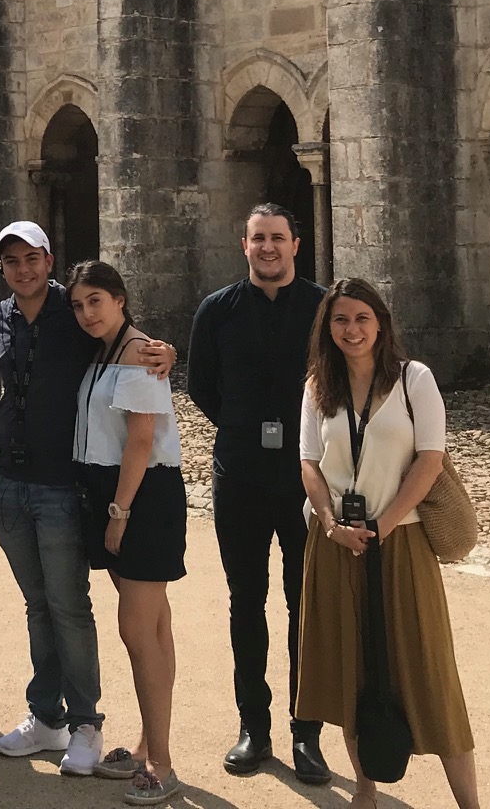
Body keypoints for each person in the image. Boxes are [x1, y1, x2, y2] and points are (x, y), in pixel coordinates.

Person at [0, 222, 173, 778]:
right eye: (12, 260)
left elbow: (126, 338)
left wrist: (166, 350)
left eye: (32, 258)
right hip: (10, 481)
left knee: (69, 605)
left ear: (49, 260)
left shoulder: (74, 314)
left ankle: (86, 722)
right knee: (37, 604)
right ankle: (46, 716)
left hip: (61, 484)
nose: (23, 268)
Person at [297, 280, 479, 809]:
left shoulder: (413, 379)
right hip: (336, 543)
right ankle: (366, 791)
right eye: (340, 320)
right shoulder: (318, 386)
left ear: (380, 323)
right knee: (350, 669)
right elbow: (309, 463)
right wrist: (330, 523)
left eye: (361, 318)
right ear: (327, 328)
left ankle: (469, 803)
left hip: (401, 541)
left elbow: (430, 459)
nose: (351, 329)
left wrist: (386, 523)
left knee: (428, 669)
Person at [186, 203, 331, 782]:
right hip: (240, 476)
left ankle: (306, 732)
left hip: (305, 478)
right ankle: (253, 727)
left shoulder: (322, 308)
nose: (267, 247)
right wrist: (243, 428)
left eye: (277, 237)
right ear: (243, 246)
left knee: (304, 604)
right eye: (257, 238)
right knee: (245, 601)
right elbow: (201, 386)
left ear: (295, 244)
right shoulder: (217, 311)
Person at [68, 262, 185, 807]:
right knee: (153, 626)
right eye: (79, 304)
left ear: (119, 299)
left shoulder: (138, 352)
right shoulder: (106, 350)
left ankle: (161, 762)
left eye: (96, 300)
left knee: (137, 629)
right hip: (116, 492)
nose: (87, 313)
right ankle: (146, 747)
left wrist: (119, 512)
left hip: (139, 497)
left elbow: (141, 440)